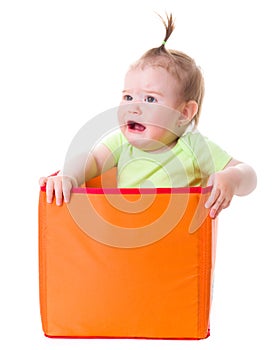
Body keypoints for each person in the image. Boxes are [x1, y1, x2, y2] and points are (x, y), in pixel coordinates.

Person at [39, 13, 257, 219]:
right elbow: (92, 160)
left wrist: (232, 179)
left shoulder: (193, 146)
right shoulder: (121, 142)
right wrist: (68, 175)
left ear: (183, 113)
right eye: (128, 97)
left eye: (150, 99)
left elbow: (248, 174)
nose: (134, 108)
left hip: (177, 247)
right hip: (129, 243)